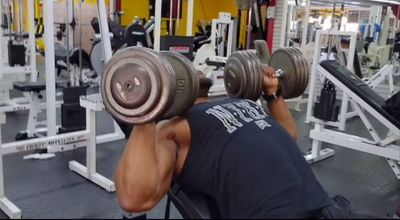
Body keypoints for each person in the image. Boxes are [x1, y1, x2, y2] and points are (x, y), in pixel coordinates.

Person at [114, 67, 378, 218]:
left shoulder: (240, 102)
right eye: (182, 66)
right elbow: (134, 199)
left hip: (328, 210)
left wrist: (272, 94)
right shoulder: (171, 129)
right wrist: (146, 108)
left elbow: (288, 135)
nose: (194, 67)